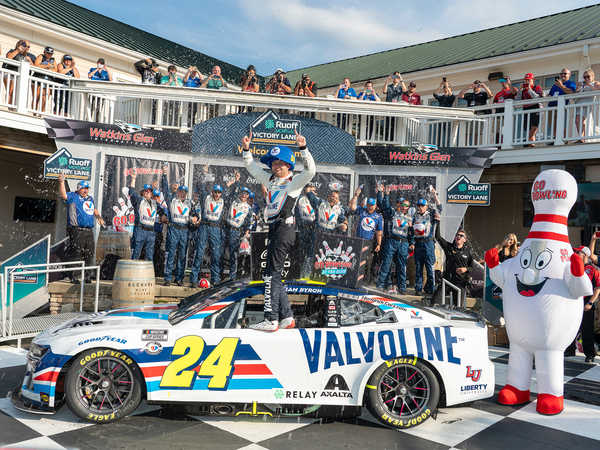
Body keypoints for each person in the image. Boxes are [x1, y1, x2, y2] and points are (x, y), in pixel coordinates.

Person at [241, 130, 316, 331]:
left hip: (285, 228)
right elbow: (252, 168)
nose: (276, 167)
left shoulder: (294, 181)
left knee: (270, 274)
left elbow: (310, 171)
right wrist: (247, 149)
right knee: (271, 273)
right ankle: (287, 318)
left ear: (288, 165)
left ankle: (271, 318)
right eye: (273, 164)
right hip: (275, 228)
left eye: (279, 164)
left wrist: (303, 148)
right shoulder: (272, 181)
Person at [57, 174, 105, 283]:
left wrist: (98, 217)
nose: (86, 190)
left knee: (89, 253)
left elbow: (93, 209)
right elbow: (63, 195)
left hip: (88, 230)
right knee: (76, 253)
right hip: (76, 230)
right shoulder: (73, 196)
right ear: (78, 189)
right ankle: (74, 276)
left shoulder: (90, 198)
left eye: (87, 188)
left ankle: (88, 276)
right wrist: (61, 182)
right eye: (84, 188)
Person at [190, 175, 235, 287]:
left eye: (219, 193)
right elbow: (200, 186)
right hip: (204, 227)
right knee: (199, 253)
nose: (217, 194)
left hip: (216, 228)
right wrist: (204, 173)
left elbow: (233, 194)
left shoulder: (224, 201)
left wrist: (236, 182)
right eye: (215, 192)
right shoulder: (206, 197)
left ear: (221, 193)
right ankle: (194, 279)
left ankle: (215, 279)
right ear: (212, 192)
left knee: (216, 255)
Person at [376, 192, 413, 294]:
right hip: (392, 240)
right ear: (398, 205)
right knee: (386, 264)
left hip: (404, 243)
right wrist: (386, 195)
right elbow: (386, 207)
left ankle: (402, 288)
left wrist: (412, 241)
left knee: (402, 266)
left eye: (406, 205)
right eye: (401, 204)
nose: (403, 207)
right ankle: (380, 285)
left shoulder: (410, 217)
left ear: (408, 207)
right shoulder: (392, 213)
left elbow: (412, 233)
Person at [161, 166, 192, 286]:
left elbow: (195, 215)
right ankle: (167, 278)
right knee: (171, 253)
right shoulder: (172, 200)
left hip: (184, 230)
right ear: (177, 192)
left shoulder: (190, 203)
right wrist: (164, 175)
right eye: (181, 192)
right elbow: (164, 190)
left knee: (182, 256)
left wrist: (195, 218)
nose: (183, 194)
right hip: (173, 229)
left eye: (184, 192)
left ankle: (179, 278)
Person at [349, 187, 383, 285]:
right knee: (356, 260)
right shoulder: (362, 210)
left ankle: (366, 281)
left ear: (375, 205)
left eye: (372, 205)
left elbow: (379, 232)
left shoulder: (378, 217)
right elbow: (352, 208)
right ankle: (355, 279)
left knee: (368, 262)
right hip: (359, 240)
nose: (370, 207)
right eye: (368, 205)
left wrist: (379, 244)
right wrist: (356, 196)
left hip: (369, 242)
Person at [433, 224, 474, 305]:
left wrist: (465, 269)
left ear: (465, 240)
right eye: (457, 235)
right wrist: (438, 222)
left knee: (459, 307)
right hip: (447, 280)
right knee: (435, 302)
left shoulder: (468, 251)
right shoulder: (449, 247)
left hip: (460, 282)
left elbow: (472, 268)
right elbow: (438, 237)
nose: (458, 236)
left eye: (461, 235)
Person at [411, 191, 442, 296]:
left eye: (422, 206)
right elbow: (411, 231)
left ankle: (430, 289)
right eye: (418, 205)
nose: (420, 207)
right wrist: (412, 242)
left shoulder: (431, 214)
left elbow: (440, 208)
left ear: (426, 206)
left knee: (429, 267)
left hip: (428, 243)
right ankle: (418, 289)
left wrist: (435, 196)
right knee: (418, 267)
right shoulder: (415, 216)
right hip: (418, 244)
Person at [223, 172, 252, 280]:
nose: (244, 195)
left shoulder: (248, 208)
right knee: (221, 253)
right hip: (226, 229)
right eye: (242, 193)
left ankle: (233, 277)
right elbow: (231, 193)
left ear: (248, 196)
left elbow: (249, 222)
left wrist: (247, 231)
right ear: (239, 194)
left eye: (246, 194)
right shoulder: (233, 201)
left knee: (234, 255)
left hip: (236, 232)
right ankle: (219, 277)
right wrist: (237, 180)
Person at [128, 172, 158, 260]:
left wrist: (164, 216)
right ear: (143, 192)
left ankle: (148, 273)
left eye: (150, 191)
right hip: (140, 229)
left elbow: (163, 211)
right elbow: (132, 192)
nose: (148, 192)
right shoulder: (139, 200)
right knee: (136, 252)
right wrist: (133, 179)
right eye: (146, 191)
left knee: (149, 255)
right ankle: (133, 272)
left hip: (151, 231)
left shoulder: (155, 203)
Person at [515, 73, 543, 147]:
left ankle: (530, 142)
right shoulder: (523, 89)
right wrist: (520, 90)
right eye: (525, 80)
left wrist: (529, 89)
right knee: (527, 128)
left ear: (532, 80)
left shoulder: (537, 87)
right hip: (526, 109)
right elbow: (517, 100)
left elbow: (537, 98)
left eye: (528, 80)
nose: (527, 82)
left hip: (535, 108)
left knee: (534, 127)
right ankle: (530, 143)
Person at [295, 186, 317, 278]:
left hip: (313, 230)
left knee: (310, 253)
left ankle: (308, 274)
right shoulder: (300, 199)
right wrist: (301, 224)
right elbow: (296, 213)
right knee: (300, 252)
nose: (312, 193)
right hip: (302, 229)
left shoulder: (317, 201)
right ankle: (298, 274)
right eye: (310, 190)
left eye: (314, 191)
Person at [4, 40, 35, 105]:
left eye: (28, 47)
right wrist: (18, 50)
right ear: (19, 45)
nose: (27, 48)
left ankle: (15, 107)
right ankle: (9, 108)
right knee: (11, 91)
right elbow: (8, 58)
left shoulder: (31, 56)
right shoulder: (13, 51)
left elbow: (35, 68)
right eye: (24, 45)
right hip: (11, 74)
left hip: (22, 77)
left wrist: (30, 61)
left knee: (19, 93)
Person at [574, 69, 600, 143]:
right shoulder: (582, 84)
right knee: (577, 121)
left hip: (587, 105)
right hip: (579, 104)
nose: (586, 79)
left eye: (588, 76)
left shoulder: (595, 83)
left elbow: (597, 89)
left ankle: (582, 138)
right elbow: (575, 93)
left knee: (582, 121)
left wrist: (588, 84)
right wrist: (579, 88)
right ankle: (581, 138)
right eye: (584, 77)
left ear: (592, 76)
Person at [382, 72, 405, 141]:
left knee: (396, 126)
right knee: (388, 126)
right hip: (389, 109)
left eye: (397, 77)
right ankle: (387, 141)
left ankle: (395, 141)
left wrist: (401, 79)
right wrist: (387, 81)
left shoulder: (400, 87)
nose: (396, 78)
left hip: (397, 109)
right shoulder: (389, 86)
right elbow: (384, 91)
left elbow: (405, 90)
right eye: (395, 76)